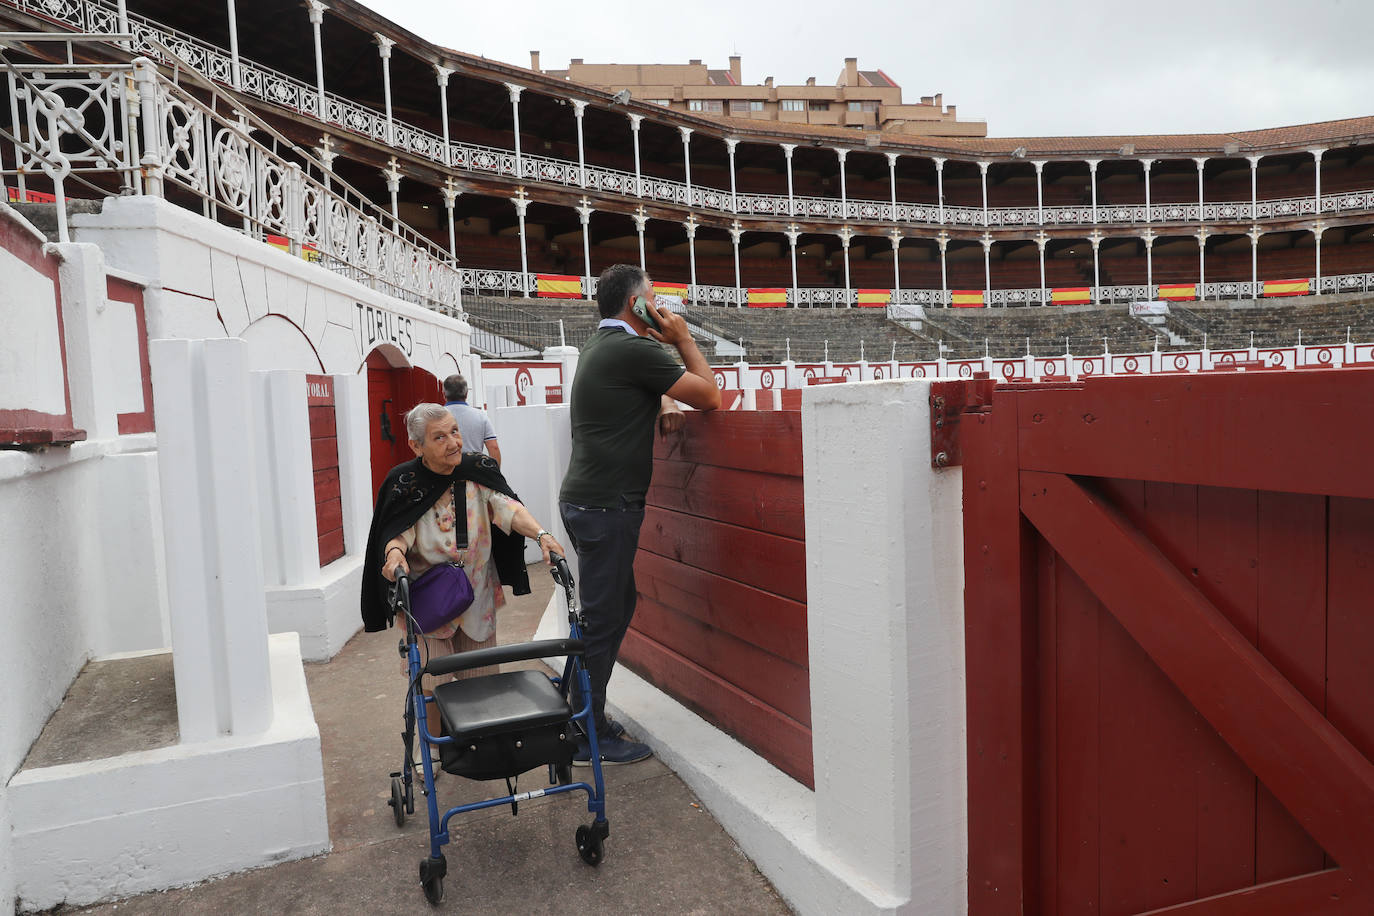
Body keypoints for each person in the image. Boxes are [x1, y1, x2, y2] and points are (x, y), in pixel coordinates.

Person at [559, 264, 721, 765]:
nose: (663, 306)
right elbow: (712, 395)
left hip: (591, 501)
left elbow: (636, 388)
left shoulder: (600, 346)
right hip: (607, 507)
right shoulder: (635, 348)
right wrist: (683, 337)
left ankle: (581, 713)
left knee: (613, 609)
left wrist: (663, 399)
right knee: (606, 620)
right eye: (654, 298)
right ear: (637, 306)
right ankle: (586, 732)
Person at [361, 403, 564, 736]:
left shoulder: (477, 470)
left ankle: (478, 744)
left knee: (482, 680)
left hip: (477, 596)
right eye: (439, 437)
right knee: (430, 683)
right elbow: (397, 532)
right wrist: (394, 556)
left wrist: (542, 534)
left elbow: (509, 508)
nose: (453, 442)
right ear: (416, 446)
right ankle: (436, 749)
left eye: (455, 431)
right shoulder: (405, 482)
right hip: (428, 605)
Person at [442, 373, 502, 465]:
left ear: (444, 394)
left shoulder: (435, 417)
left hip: (445, 470)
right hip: (474, 470)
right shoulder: (481, 416)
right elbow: (494, 448)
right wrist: (494, 475)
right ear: (466, 393)